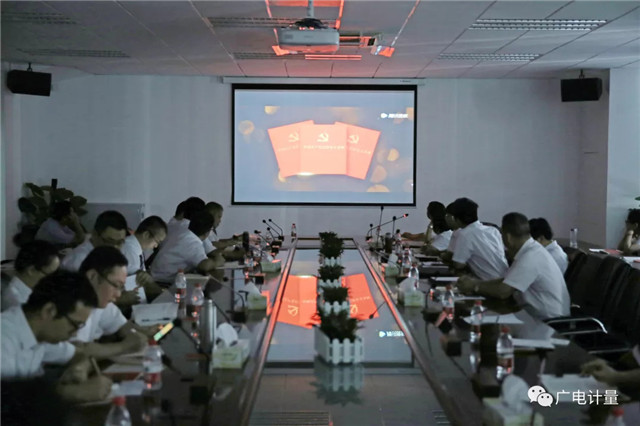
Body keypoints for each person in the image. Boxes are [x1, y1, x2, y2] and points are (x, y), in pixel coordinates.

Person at [1, 270, 112, 402]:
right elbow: (6, 400)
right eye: (75, 325)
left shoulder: (40, 333)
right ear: (49, 311)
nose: (75, 333)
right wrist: (71, 392)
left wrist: (80, 368)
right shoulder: (4, 337)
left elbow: (80, 354)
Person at [457, 212, 570, 320]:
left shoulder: (531, 256)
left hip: (548, 321)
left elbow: (503, 291)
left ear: (508, 237)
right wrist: (476, 283)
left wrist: (474, 286)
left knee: (484, 323)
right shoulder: (531, 250)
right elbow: (508, 281)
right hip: (536, 315)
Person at [73, 247, 147, 359]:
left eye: (121, 287)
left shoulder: (100, 300)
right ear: (93, 276)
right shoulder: (72, 302)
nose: (118, 294)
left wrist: (140, 333)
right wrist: (124, 346)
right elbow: (77, 351)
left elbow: (122, 326)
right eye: (116, 285)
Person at [150, 210, 222, 283]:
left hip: (156, 275)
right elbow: (204, 266)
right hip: (161, 281)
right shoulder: (193, 242)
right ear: (207, 232)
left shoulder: (184, 234)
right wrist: (217, 262)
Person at [448, 198, 508, 280]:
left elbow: (458, 264)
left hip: (488, 281)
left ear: (456, 219)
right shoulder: (493, 230)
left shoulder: (465, 234)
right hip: (506, 278)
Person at [60, 210, 128, 272]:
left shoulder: (106, 254)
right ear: (95, 235)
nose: (115, 247)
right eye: (110, 242)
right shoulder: (79, 262)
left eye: (120, 242)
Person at [1, 240, 60, 311]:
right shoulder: (18, 302)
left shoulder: (30, 291)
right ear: (32, 270)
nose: (53, 279)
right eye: (51, 274)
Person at [121, 215, 167, 301]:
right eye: (157, 241)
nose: (156, 246)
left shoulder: (136, 247)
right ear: (146, 235)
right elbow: (138, 284)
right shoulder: (130, 250)